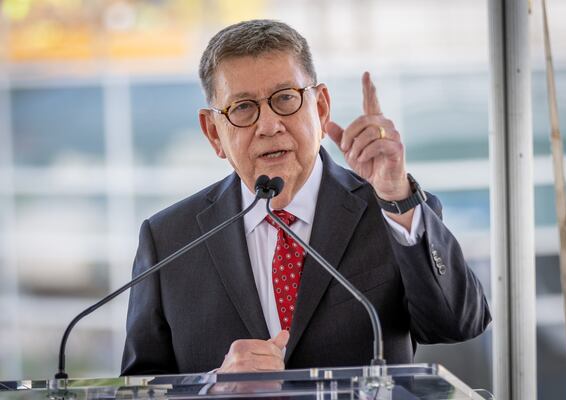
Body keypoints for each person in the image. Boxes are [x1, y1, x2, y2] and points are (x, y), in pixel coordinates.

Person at [121, 19, 491, 376]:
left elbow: (458, 324)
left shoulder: (392, 210)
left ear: (321, 107)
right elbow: (139, 385)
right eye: (244, 108)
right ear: (213, 133)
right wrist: (211, 386)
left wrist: (395, 196)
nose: (269, 125)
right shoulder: (168, 240)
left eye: (285, 98)